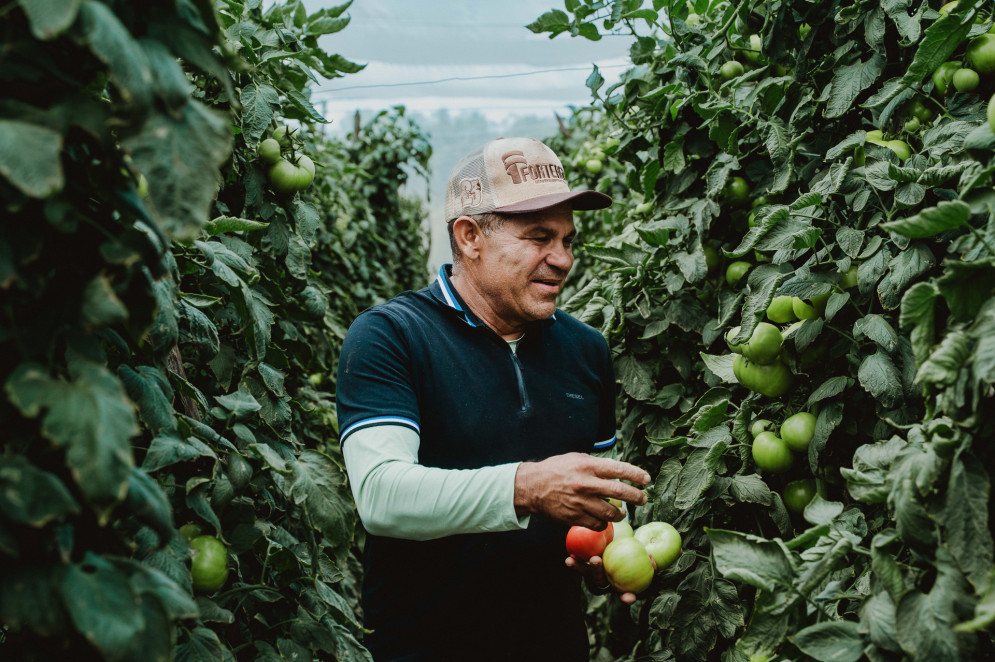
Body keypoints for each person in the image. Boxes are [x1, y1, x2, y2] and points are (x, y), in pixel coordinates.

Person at [336, 136, 651, 661]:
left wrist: (610, 550)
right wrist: (527, 486)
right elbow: (381, 496)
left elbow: (599, 495)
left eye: (568, 240)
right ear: (469, 237)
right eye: (538, 237)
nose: (562, 259)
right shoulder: (391, 337)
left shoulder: (586, 350)